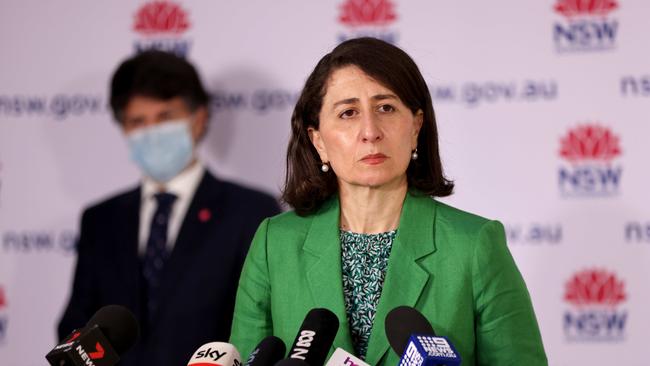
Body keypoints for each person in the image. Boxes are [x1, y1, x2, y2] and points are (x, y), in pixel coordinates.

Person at [229, 38, 547, 365]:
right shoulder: (275, 243)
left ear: (415, 128)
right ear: (318, 140)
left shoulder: (474, 244)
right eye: (348, 112)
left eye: (386, 108)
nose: (370, 131)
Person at [58, 50, 281, 366]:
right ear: (123, 129)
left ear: (199, 118)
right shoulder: (101, 219)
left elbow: (262, 326)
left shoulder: (251, 212)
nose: (151, 132)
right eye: (137, 121)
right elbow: (75, 323)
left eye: (165, 117)